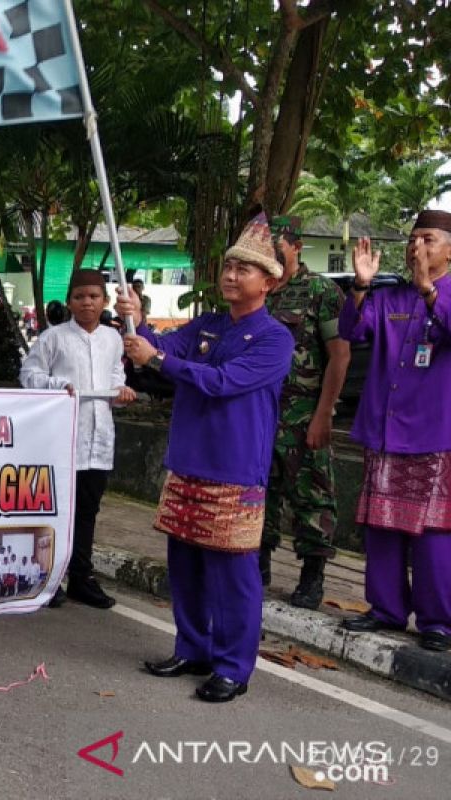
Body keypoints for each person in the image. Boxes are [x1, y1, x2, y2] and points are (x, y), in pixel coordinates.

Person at [120, 212, 293, 702]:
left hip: (235, 470)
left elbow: (220, 382)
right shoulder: (208, 324)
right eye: (229, 266)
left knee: (234, 575)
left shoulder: (275, 340)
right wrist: (137, 319)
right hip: (188, 462)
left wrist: (157, 359)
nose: (231, 275)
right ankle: (192, 648)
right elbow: (160, 346)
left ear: (268, 282)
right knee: (186, 565)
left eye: (245, 269)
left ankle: (234, 667)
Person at [338, 211, 451, 652]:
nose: (416, 247)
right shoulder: (392, 296)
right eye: (412, 239)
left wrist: (429, 291)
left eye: (427, 239)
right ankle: (385, 610)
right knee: (381, 525)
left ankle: (437, 621)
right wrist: (361, 285)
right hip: (385, 431)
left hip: (435, 434)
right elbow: (353, 329)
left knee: (435, 532)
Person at [20, 269, 137, 609]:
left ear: (104, 301)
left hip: (99, 438)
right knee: (58, 509)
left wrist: (121, 392)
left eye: (94, 296)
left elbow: (116, 377)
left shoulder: (113, 339)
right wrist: (59, 386)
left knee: (88, 510)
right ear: (70, 301)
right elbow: (29, 375)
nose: (87, 302)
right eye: (80, 296)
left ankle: (81, 578)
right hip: (62, 437)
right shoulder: (53, 338)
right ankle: (48, 577)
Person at [260, 216, 350, 608]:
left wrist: (324, 413)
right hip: (261, 414)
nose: (273, 257)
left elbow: (339, 355)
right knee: (258, 495)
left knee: (312, 496)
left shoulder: (320, 291)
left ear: (296, 247)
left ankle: (312, 576)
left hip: (302, 415)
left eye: (278, 248)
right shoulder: (258, 290)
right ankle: (256, 564)